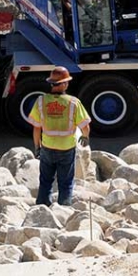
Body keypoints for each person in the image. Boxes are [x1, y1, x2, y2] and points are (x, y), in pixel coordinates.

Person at [28, 66, 91, 206]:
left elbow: (36, 128)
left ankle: (42, 207)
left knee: (45, 180)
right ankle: (64, 209)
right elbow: (85, 127)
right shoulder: (73, 103)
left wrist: (37, 147)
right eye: (67, 81)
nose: (68, 83)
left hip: (47, 147)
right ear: (63, 84)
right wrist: (85, 137)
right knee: (66, 182)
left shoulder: (40, 102)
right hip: (66, 149)